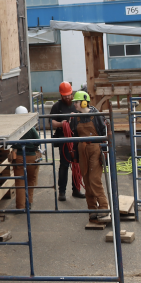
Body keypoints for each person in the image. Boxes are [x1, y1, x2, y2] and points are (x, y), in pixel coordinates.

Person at [70, 90, 109, 220]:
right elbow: (75, 136)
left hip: (95, 149)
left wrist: (104, 151)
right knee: (86, 179)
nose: (75, 104)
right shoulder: (76, 118)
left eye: (76, 102)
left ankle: (104, 207)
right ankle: (92, 209)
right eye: (74, 102)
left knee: (94, 179)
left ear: (84, 102)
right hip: (82, 149)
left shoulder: (96, 116)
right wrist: (75, 155)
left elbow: (104, 134)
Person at [50, 82, 84, 201]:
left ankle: (76, 189)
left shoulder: (76, 104)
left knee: (77, 164)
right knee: (64, 165)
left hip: (76, 138)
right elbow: (52, 123)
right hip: (64, 139)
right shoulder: (57, 107)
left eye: (69, 95)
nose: (68, 98)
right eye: (65, 96)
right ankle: (62, 192)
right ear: (61, 95)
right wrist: (63, 123)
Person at [12, 106, 41, 210]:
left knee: (20, 182)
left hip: (19, 157)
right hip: (31, 157)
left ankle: (20, 206)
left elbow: (12, 143)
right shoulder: (31, 128)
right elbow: (38, 141)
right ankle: (28, 203)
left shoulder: (15, 129)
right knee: (30, 180)